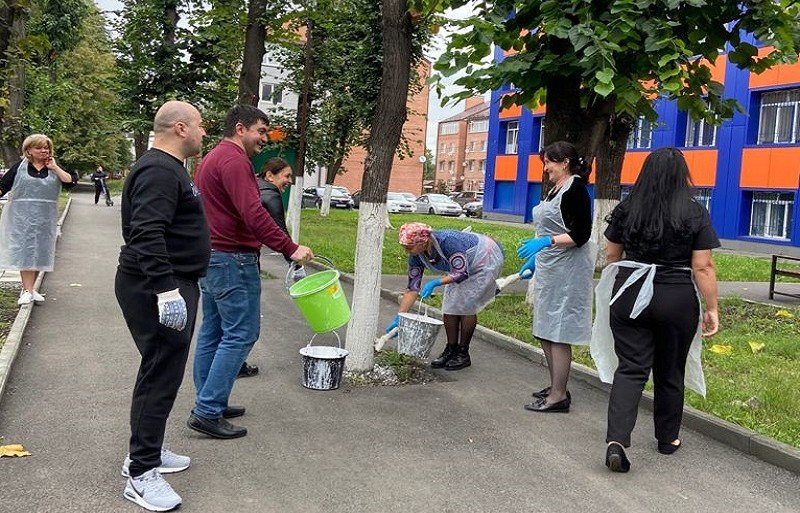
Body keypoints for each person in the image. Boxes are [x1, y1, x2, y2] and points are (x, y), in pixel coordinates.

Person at [591, 147, 720, 473]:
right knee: (670, 370)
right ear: (682, 176)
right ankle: (667, 439)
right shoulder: (694, 212)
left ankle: (617, 440)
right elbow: (703, 266)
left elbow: (612, 256)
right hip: (675, 297)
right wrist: (712, 308)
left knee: (631, 368)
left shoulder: (626, 209)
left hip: (630, 293)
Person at [189, 105, 313, 439]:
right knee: (241, 333)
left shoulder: (213, 158)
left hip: (213, 256)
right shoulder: (233, 161)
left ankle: (208, 399)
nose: (265, 138)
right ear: (240, 128)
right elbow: (253, 213)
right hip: (232, 259)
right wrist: (290, 247)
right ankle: (207, 409)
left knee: (214, 331)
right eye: (260, 131)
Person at [115, 100, 209, 511]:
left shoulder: (169, 168)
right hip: (158, 286)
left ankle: (143, 453)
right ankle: (141, 474)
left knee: (158, 371)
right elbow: (146, 232)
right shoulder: (157, 169)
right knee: (161, 375)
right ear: (181, 128)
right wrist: (166, 290)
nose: (205, 133)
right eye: (201, 126)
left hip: (167, 283)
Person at [517, 141, 593, 413]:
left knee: (558, 331)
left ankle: (559, 396)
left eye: (549, 162)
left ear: (564, 163)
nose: (546, 167)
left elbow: (580, 235)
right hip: (552, 268)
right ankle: (555, 385)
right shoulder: (555, 190)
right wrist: (535, 259)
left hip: (568, 272)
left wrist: (545, 242)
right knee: (546, 329)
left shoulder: (576, 190)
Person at [387, 222, 504, 370]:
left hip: (486, 258)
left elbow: (461, 273)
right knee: (450, 305)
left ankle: (463, 353)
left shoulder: (448, 242)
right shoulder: (416, 255)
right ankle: (451, 349)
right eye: (404, 246)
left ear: (423, 242)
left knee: (467, 305)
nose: (406, 251)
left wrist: (436, 282)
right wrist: (400, 316)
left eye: (409, 247)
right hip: (461, 268)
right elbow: (412, 288)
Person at [0, 134, 78, 305]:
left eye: (47, 147)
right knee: (26, 251)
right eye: (39, 147)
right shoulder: (19, 168)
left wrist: (55, 168)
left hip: (45, 217)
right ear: (28, 150)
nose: (44, 150)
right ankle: (27, 290)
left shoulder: (54, 167)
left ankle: (30, 289)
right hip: (21, 217)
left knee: (40, 252)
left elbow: (70, 182)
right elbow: (3, 187)